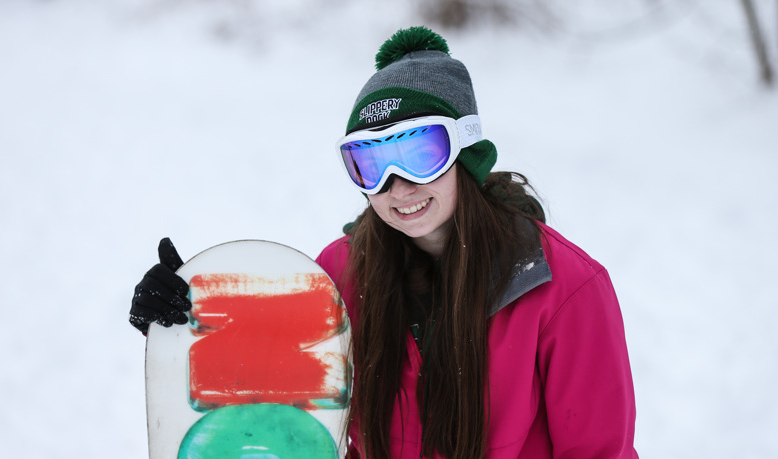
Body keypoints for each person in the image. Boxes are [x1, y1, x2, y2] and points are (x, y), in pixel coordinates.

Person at [130, 26, 638, 459]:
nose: (397, 187)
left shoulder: (562, 289)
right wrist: (183, 315)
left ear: (467, 152)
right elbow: (274, 392)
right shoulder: (342, 273)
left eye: (420, 154)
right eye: (371, 164)